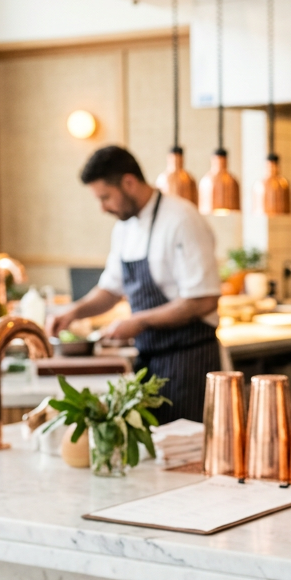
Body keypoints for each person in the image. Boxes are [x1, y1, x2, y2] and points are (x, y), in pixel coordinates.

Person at [46, 146, 221, 424]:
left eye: (105, 197)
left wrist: (138, 321)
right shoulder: (124, 227)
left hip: (189, 362)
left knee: (184, 459)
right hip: (148, 363)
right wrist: (73, 312)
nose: (102, 207)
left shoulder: (182, 219)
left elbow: (204, 299)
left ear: (129, 182)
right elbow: (111, 290)